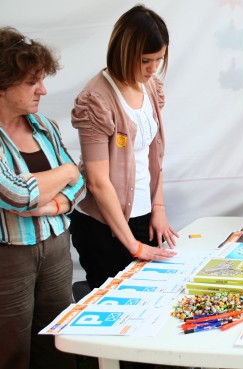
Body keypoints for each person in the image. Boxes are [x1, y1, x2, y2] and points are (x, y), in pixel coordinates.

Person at [70, 4, 178, 291]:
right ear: (124, 52)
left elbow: (154, 156)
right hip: (105, 228)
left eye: (159, 59)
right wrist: (132, 244)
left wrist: (158, 206)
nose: (153, 68)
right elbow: (97, 181)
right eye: (145, 60)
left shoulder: (151, 86)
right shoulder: (96, 99)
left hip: (143, 216)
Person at [0, 27, 86, 369]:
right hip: (9, 258)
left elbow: (79, 183)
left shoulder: (44, 126)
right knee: (11, 349)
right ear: (3, 84)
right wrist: (65, 173)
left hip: (56, 248)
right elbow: (18, 195)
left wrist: (56, 199)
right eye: (32, 82)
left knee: (57, 341)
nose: (43, 90)